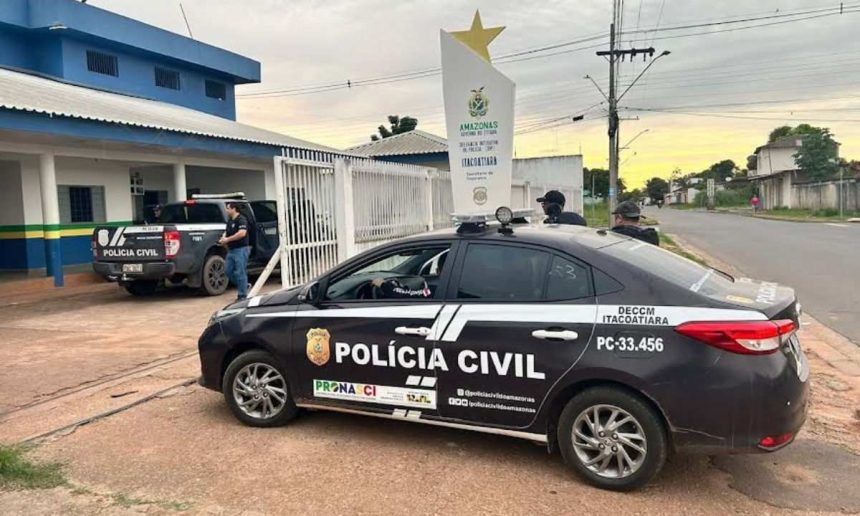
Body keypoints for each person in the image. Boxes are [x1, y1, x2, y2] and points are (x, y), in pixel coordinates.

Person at [219, 202, 250, 300]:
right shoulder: (230, 220)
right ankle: (244, 285)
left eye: (228, 208)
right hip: (231, 250)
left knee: (240, 271)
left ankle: (242, 295)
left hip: (241, 249)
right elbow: (226, 232)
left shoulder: (241, 219)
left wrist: (228, 240)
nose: (226, 210)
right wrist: (223, 238)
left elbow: (242, 233)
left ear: (234, 209)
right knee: (227, 271)